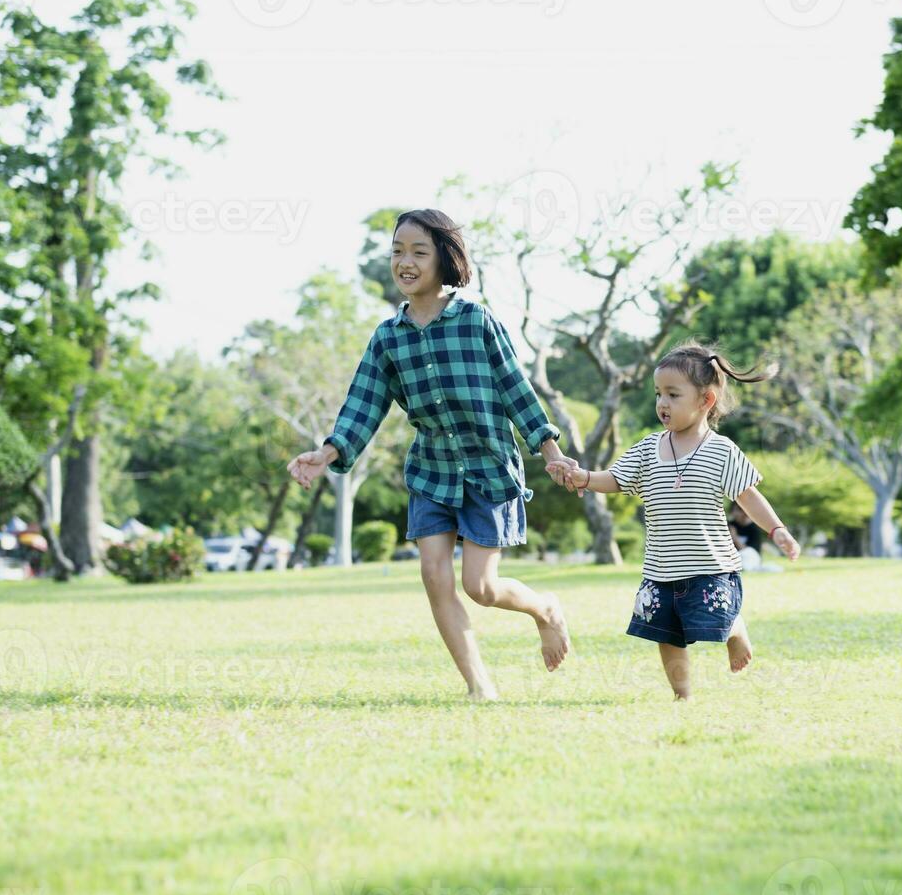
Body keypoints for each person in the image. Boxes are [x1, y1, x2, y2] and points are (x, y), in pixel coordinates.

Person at [287, 209, 576, 700]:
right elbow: (363, 404)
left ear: (445, 259)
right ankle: (478, 685)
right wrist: (329, 451)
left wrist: (549, 450)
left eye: (419, 251)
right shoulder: (387, 338)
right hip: (431, 471)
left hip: (487, 468)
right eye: (397, 251)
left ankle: (545, 609)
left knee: (480, 588)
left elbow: (516, 389)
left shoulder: (476, 320)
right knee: (433, 575)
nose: (405, 261)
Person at [547, 342, 801, 700]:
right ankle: (683, 695)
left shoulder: (722, 451)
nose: (662, 403)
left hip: (710, 566)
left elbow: (748, 496)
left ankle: (735, 628)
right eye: (658, 394)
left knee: (715, 620)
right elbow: (616, 479)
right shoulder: (648, 449)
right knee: (666, 636)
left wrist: (778, 530)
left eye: (673, 394)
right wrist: (584, 478)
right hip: (661, 570)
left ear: (705, 401)